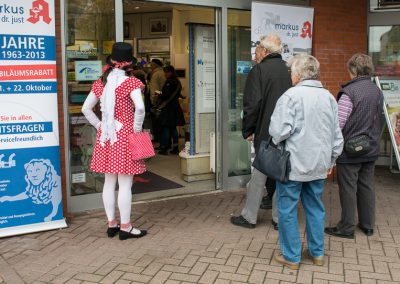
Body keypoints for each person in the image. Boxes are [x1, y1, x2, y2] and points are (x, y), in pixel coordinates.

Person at [269, 54, 343, 269]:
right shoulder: (328, 97)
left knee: (288, 208)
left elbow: (279, 131)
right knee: (315, 207)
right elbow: (336, 136)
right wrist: (331, 160)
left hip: (293, 164)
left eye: (292, 71)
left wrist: (276, 138)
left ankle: (292, 257)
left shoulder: (291, 96)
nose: (291, 75)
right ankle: (317, 253)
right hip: (319, 164)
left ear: (299, 74)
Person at [81, 42, 147, 240]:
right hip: (125, 136)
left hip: (106, 137)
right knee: (125, 184)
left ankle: (112, 225)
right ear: (129, 64)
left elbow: (86, 108)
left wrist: (100, 126)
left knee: (109, 182)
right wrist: (135, 129)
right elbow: (141, 108)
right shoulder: (131, 83)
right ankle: (125, 227)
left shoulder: (101, 82)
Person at [230, 34, 292, 230]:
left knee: (259, 175)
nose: (254, 55)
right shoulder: (290, 70)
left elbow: (252, 104)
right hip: (288, 132)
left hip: (266, 132)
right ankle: (278, 218)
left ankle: (249, 217)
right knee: (281, 175)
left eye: (256, 51)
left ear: (265, 51)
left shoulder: (259, 70)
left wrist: (248, 129)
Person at [325, 54, 384, 239]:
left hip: (349, 150)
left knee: (348, 188)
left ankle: (346, 227)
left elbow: (338, 124)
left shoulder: (349, 92)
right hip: (370, 147)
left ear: (353, 70)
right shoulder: (377, 91)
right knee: (366, 186)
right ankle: (367, 225)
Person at [157, 65, 185, 155]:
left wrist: (160, 95)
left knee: (166, 127)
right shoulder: (177, 81)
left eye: (167, 72)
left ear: (171, 72)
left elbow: (167, 95)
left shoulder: (170, 82)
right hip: (175, 106)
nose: (165, 74)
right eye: (165, 72)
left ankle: (164, 148)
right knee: (173, 128)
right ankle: (175, 148)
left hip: (169, 107)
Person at [148, 59, 166, 143]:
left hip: (158, 101)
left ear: (155, 65)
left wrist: (153, 101)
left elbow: (154, 90)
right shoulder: (163, 73)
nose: (150, 67)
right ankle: (164, 140)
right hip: (164, 100)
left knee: (157, 122)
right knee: (164, 122)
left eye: (151, 65)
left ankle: (159, 139)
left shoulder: (155, 75)